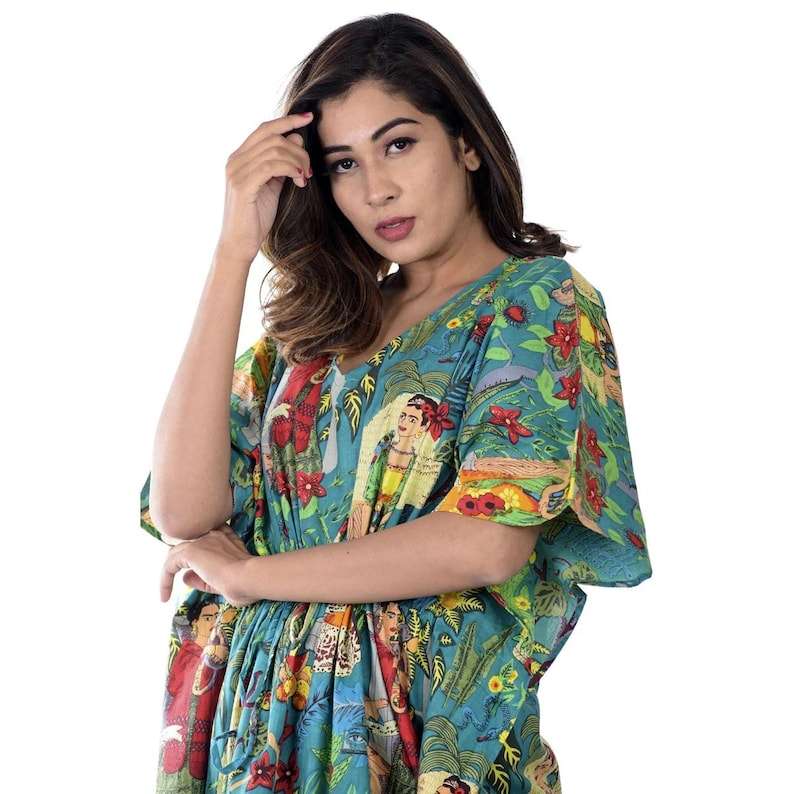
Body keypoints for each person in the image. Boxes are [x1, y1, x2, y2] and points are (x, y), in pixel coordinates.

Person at [139, 12, 652, 793]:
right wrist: (233, 250)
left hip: (416, 733)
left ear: (467, 143)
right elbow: (184, 512)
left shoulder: (532, 300)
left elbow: (488, 541)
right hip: (255, 727)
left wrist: (254, 577)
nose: (376, 188)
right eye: (343, 164)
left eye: (399, 144)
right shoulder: (320, 329)